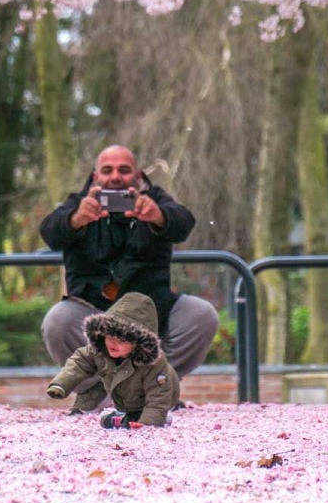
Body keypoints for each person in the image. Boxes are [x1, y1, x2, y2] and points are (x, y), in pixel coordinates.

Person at [40, 144, 218, 412]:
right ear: (95, 175)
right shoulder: (79, 202)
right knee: (57, 321)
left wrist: (158, 217)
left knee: (202, 314)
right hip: (92, 311)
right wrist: (76, 220)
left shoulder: (155, 199)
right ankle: (96, 392)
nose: (115, 177)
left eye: (124, 170)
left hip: (151, 311)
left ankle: (155, 386)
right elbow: (49, 231)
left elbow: (184, 222)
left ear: (137, 175)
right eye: (107, 170)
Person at [46, 292, 181, 428]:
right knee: (117, 418)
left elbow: (159, 397)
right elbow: (78, 363)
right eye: (109, 336)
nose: (113, 343)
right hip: (125, 398)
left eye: (122, 340)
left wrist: (147, 423)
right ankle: (120, 416)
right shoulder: (99, 351)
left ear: (138, 343)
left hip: (162, 393)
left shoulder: (154, 364)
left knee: (140, 416)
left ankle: (154, 417)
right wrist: (61, 384)